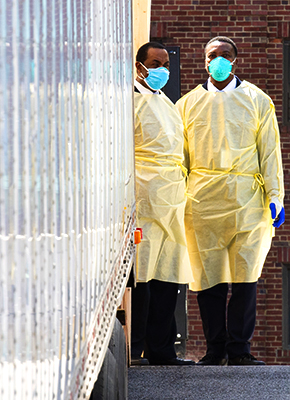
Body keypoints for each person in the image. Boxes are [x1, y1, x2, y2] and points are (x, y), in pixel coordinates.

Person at [176, 36, 285, 366]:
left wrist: (275, 195)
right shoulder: (187, 105)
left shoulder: (257, 100)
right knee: (208, 280)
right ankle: (215, 348)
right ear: (204, 60)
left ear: (235, 61)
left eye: (225, 55)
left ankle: (240, 349)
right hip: (202, 200)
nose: (218, 61)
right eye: (213, 55)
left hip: (247, 200)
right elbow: (179, 159)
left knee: (244, 278)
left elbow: (269, 152)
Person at [130, 42, 195, 366]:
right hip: (145, 193)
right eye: (155, 63)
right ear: (139, 65)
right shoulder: (129, 100)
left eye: (166, 63)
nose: (162, 70)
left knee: (168, 276)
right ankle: (137, 348)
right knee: (143, 276)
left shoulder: (166, 103)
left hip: (172, 196)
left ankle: (162, 350)